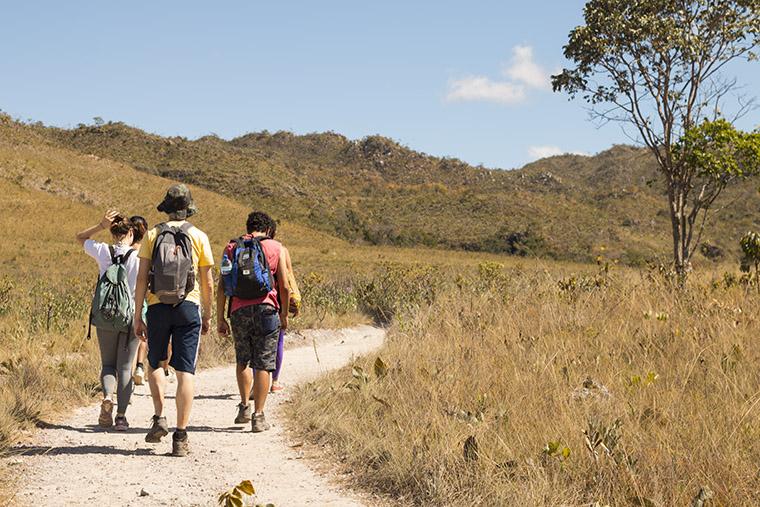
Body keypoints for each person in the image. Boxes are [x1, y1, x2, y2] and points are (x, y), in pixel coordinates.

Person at [133, 184, 214, 457]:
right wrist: (208, 314)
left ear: (167, 208)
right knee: (185, 372)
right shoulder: (199, 236)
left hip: (157, 307)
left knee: (155, 362)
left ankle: (159, 417)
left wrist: (137, 315)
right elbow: (208, 282)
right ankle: (181, 435)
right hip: (188, 307)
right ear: (188, 209)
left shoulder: (153, 234)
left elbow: (142, 278)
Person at [217, 211, 289, 432]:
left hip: (239, 310)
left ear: (248, 227)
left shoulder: (231, 247)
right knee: (264, 364)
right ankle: (259, 415)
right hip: (267, 309)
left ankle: (244, 406)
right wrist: (283, 315)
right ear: (268, 229)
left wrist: (220, 317)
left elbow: (222, 286)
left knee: (243, 360)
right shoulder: (276, 248)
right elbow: (284, 286)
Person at [76, 210, 140, 431]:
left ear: (112, 232)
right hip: (131, 316)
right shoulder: (138, 257)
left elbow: (80, 238)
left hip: (106, 316)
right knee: (125, 368)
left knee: (108, 365)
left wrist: (100, 225)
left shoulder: (103, 251)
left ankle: (107, 397)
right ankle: (121, 417)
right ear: (131, 232)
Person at [266, 217, 300, 394]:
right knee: (278, 341)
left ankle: (257, 384)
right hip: (277, 300)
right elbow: (288, 277)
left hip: (255, 301)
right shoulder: (281, 249)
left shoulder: (249, 246)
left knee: (258, 344)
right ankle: (274, 381)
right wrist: (294, 300)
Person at [129, 216, 148, 387]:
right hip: (140, 299)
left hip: (121, 301)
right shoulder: (145, 252)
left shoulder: (122, 251)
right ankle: (140, 367)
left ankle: (127, 375)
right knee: (141, 335)